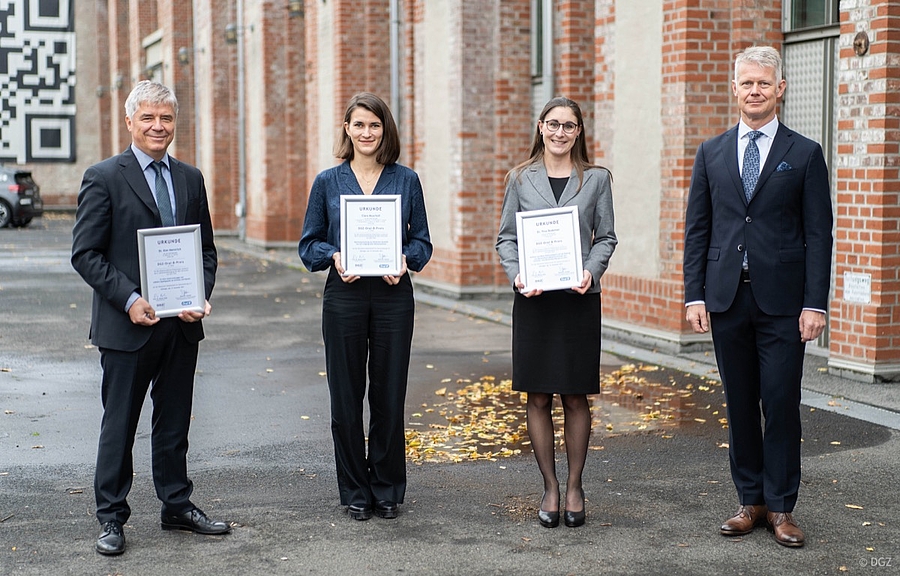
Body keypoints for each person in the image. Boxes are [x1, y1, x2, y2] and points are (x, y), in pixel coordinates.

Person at [683, 46, 833, 548]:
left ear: (780, 89)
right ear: (734, 88)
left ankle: (783, 508)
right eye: (746, 83)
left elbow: (819, 235)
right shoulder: (711, 151)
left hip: (785, 305)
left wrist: (815, 304)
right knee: (740, 403)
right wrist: (693, 296)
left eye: (763, 84)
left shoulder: (805, 153)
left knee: (782, 402)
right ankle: (750, 501)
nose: (754, 91)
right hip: (726, 300)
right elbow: (698, 231)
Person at [72, 80, 229, 556]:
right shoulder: (104, 177)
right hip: (127, 326)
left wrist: (197, 293)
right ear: (130, 122)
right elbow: (86, 254)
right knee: (119, 423)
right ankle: (112, 518)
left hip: (180, 323)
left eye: (166, 118)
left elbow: (205, 250)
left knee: (175, 420)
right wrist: (130, 298)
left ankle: (176, 505)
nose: (158, 126)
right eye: (148, 118)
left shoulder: (190, 177)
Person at [298, 92, 432, 521]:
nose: (367, 132)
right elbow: (308, 245)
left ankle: (387, 487)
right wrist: (335, 256)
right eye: (359, 124)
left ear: (384, 130)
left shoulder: (406, 180)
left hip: (394, 296)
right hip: (345, 296)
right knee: (346, 397)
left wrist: (405, 260)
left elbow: (423, 244)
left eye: (374, 125)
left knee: (389, 395)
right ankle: (355, 490)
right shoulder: (327, 182)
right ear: (347, 129)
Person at [496, 96, 617, 528]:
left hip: (578, 297)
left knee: (575, 393)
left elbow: (606, 237)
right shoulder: (519, 178)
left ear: (578, 132)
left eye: (569, 125)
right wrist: (516, 275)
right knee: (539, 394)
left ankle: (575, 486)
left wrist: (591, 270)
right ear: (541, 127)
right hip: (534, 300)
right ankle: (549, 486)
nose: (560, 132)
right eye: (553, 124)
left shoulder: (597, 179)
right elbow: (506, 238)